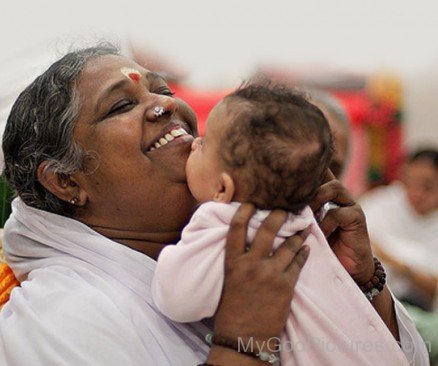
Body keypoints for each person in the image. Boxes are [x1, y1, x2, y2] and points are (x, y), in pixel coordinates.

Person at [0, 44, 428, 365]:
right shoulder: (59, 322)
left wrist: (362, 282)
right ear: (65, 181)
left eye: (164, 90)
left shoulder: (256, 231)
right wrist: (241, 342)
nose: (163, 106)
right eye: (120, 105)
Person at [151, 84, 408, 365]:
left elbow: (177, 299)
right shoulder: (306, 220)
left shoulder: (220, 221)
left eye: (205, 142)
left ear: (222, 190)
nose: (194, 144)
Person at [360, 148, 438, 310]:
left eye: (428, 186)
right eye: (410, 183)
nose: (417, 193)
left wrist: (399, 265)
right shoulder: (382, 202)